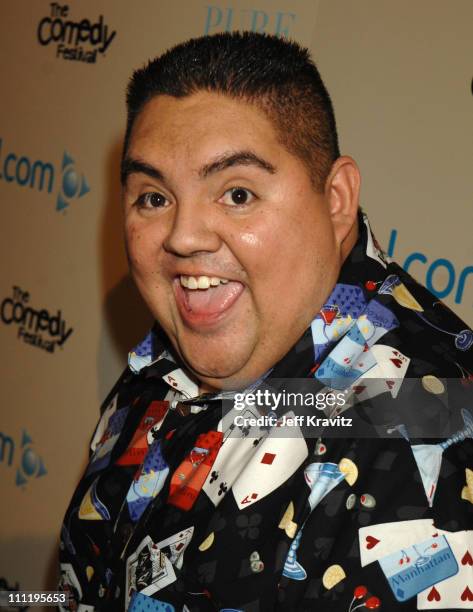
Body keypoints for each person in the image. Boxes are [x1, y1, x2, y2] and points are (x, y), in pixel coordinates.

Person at [59, 32, 473, 612]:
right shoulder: (170, 356)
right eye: (153, 197)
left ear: (335, 198)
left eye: (236, 193)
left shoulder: (431, 434)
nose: (182, 236)